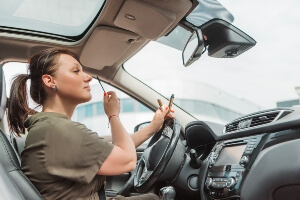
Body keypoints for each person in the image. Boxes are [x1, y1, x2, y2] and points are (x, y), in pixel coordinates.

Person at [7, 48, 173, 200]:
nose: (88, 77)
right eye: (76, 71)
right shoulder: (58, 130)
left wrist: (153, 127)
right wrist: (113, 115)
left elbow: (113, 152)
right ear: (50, 81)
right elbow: (128, 159)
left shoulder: (51, 128)